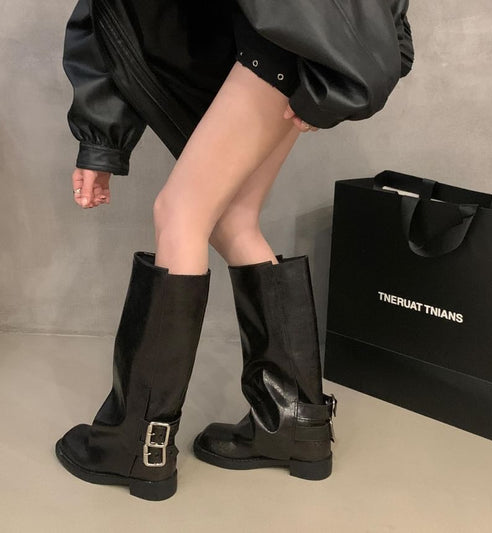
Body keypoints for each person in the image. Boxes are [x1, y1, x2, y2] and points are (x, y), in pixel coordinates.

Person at [55, 0, 413, 501]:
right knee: (234, 221)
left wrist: (100, 140)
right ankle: (295, 422)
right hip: (299, 47)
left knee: (179, 214)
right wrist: (365, 52)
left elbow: (108, 13)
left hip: (276, 49)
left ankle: (138, 446)